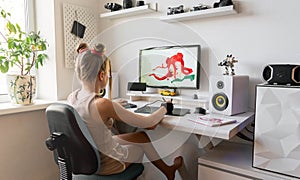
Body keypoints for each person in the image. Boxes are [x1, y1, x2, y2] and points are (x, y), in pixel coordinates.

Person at [67, 50, 183, 179]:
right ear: (101, 75)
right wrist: (165, 107)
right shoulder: (103, 104)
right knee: (140, 147)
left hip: (89, 156)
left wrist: (113, 105)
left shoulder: (73, 97)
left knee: (141, 137)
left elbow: (92, 114)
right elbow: (149, 123)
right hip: (107, 164)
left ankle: (168, 171)